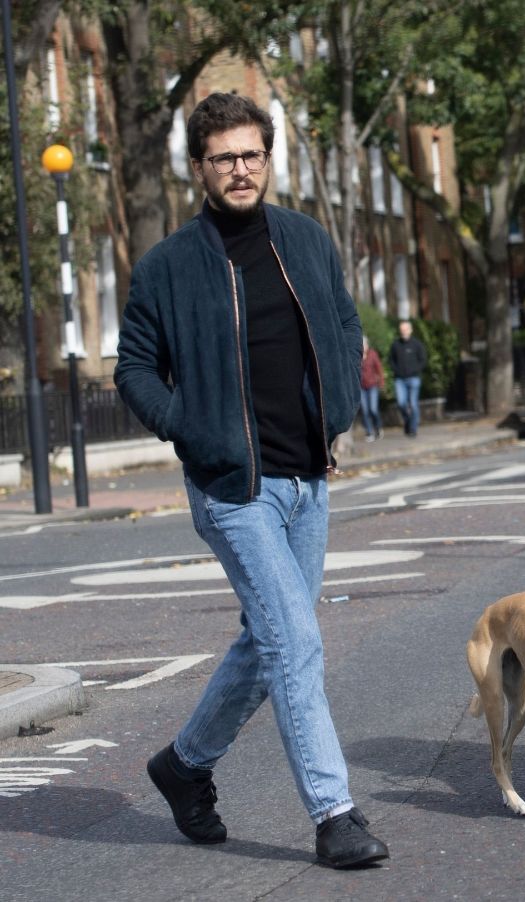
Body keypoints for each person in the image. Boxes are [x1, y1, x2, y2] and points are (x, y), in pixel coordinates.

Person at [114, 92, 388, 868]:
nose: (241, 169)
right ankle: (334, 814)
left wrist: (337, 406)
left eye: (252, 155)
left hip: (307, 477)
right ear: (198, 167)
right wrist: (189, 430)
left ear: (268, 158)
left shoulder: (303, 238)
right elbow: (133, 366)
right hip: (233, 486)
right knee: (295, 641)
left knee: (265, 642)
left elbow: (340, 320)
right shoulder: (168, 266)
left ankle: (185, 765)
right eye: (225, 157)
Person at [388, 319, 427, 437]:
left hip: (414, 378)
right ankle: (408, 422)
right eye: (402, 330)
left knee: (413, 404)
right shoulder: (396, 345)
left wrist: (416, 370)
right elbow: (391, 360)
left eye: (405, 329)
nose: (403, 332)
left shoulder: (417, 344)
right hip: (399, 379)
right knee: (401, 403)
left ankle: (413, 429)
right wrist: (397, 371)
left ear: (410, 330)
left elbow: (423, 360)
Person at [359, 335, 385, 441]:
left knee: (373, 409)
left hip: (372, 385)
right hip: (361, 387)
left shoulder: (373, 354)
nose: (362, 346)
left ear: (367, 345)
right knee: (365, 411)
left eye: (364, 344)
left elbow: (379, 369)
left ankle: (378, 428)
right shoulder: (357, 355)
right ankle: (369, 432)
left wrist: (381, 382)